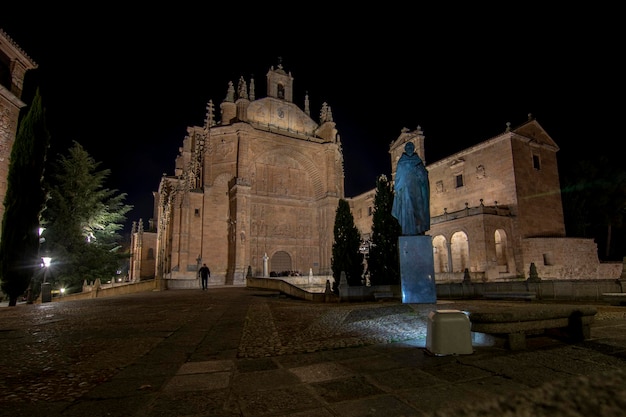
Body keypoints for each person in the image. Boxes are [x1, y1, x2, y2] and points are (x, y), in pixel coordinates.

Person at [392, 141, 430, 235]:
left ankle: (419, 229)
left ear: (414, 149)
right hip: (406, 191)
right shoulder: (401, 162)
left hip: (417, 190)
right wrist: (397, 190)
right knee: (407, 211)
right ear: (405, 149)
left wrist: (420, 172)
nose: (409, 149)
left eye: (411, 147)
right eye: (408, 147)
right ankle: (408, 230)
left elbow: (424, 174)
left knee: (419, 210)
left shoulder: (418, 160)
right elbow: (398, 178)